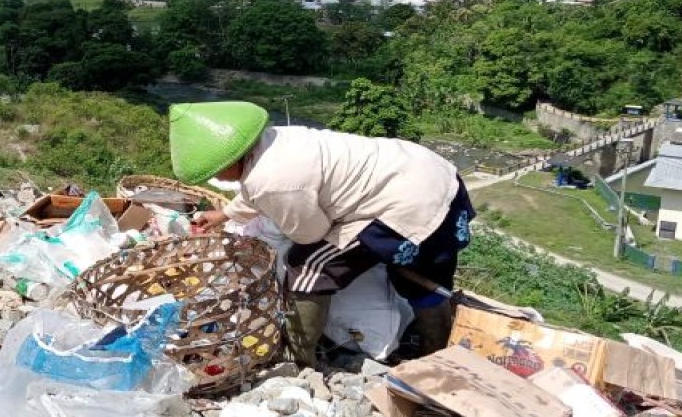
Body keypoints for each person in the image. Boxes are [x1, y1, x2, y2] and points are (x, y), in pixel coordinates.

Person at [169, 101, 474, 367]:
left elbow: (309, 234)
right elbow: (260, 193)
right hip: (435, 177)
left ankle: (299, 357)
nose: (217, 177)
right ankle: (435, 353)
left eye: (216, 171)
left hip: (402, 204)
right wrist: (224, 214)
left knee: (308, 268)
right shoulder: (274, 140)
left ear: (231, 159)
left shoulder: (271, 177)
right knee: (424, 278)